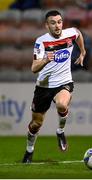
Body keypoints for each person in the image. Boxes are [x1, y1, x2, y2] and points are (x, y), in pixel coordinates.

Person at [22, 10, 86, 163]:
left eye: (59, 22)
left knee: (62, 105)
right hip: (43, 86)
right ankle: (29, 150)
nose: (57, 26)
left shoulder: (70, 33)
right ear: (47, 25)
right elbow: (33, 68)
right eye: (53, 23)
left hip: (64, 81)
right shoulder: (41, 41)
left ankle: (60, 131)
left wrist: (82, 51)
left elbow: (78, 33)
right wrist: (45, 60)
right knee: (36, 124)